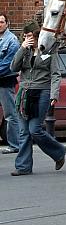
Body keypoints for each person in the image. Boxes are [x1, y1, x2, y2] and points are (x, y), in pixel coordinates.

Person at [10, 21, 66, 175]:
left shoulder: (49, 50)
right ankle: (23, 167)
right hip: (24, 93)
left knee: (34, 129)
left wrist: (54, 94)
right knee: (24, 132)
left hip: (42, 92)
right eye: (26, 36)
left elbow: (56, 74)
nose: (28, 38)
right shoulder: (25, 51)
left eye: (30, 36)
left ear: (37, 35)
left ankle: (58, 152)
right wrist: (22, 48)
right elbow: (13, 67)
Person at [0, 13, 21, 154]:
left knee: (10, 114)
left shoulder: (12, 41)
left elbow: (8, 65)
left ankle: (15, 145)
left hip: (5, 82)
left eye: (1, 22)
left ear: (7, 23)